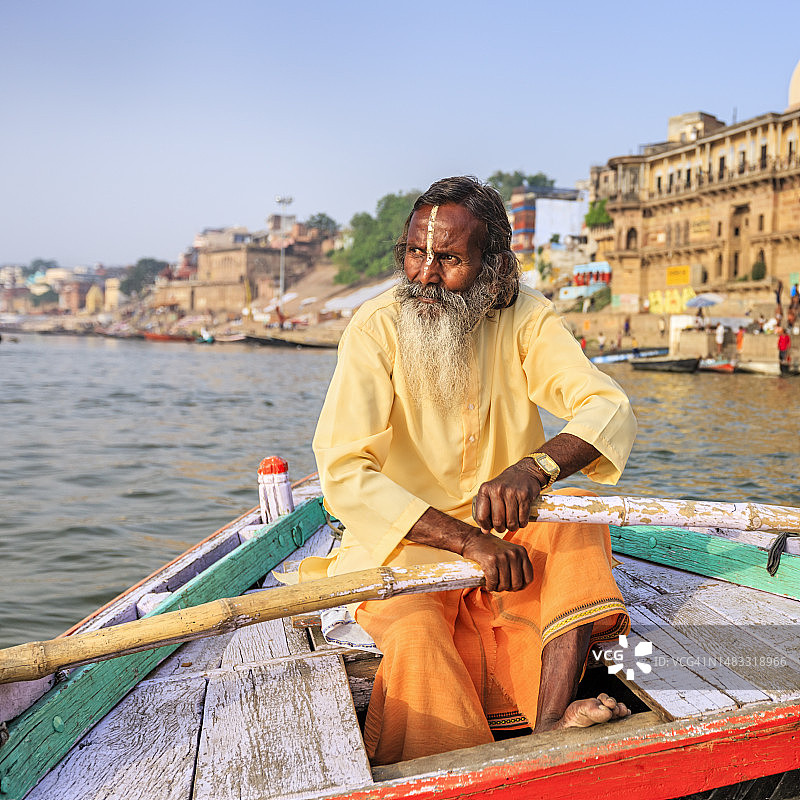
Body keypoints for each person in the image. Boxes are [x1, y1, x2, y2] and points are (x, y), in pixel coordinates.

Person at [308, 176, 637, 766]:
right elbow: (343, 472)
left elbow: (606, 406)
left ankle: (551, 721)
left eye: (449, 258)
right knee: (415, 636)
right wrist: (466, 540)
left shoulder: (525, 316)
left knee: (579, 525)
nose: (426, 275)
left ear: (495, 266)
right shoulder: (376, 326)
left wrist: (535, 469)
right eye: (416, 253)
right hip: (402, 544)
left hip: (508, 533)